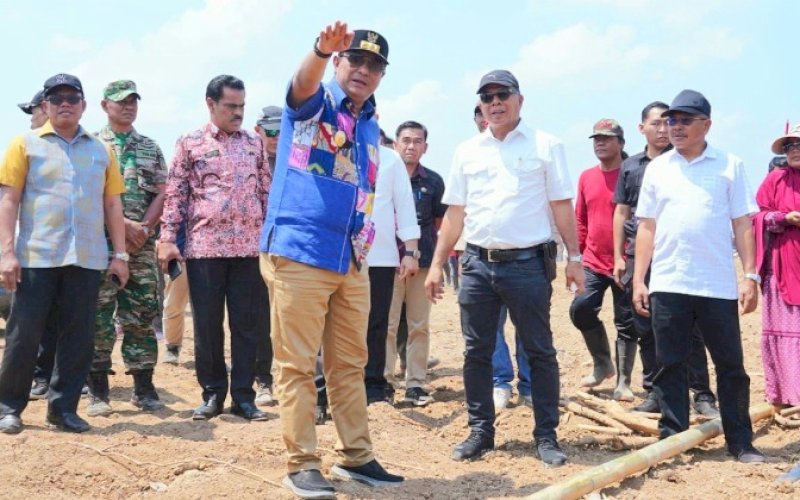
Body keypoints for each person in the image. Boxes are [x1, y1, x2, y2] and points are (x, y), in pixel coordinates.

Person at [259, 22, 404, 497]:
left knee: (350, 364)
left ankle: (357, 457)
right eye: (354, 59)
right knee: (298, 364)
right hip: (300, 250)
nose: (363, 70)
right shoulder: (314, 104)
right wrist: (320, 48)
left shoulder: (369, 125)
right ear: (338, 62)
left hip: (351, 257)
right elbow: (301, 83)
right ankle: (301, 462)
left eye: (374, 65)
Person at [425, 69, 585, 466]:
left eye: (503, 95)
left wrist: (575, 258)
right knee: (476, 352)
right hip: (477, 264)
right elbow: (455, 213)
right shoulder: (467, 151)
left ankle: (546, 436)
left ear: (520, 101)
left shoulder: (546, 145)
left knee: (539, 350)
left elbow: (561, 204)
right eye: (487, 97)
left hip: (528, 264)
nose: (495, 103)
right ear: (480, 105)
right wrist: (435, 264)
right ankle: (481, 431)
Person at [632, 89, 764, 463]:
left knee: (730, 366)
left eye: (685, 120)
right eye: (671, 120)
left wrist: (749, 276)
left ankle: (740, 442)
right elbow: (647, 228)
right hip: (669, 282)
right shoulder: (658, 167)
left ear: (707, 124)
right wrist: (640, 280)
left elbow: (742, 223)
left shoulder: (729, 164)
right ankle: (673, 438)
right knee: (669, 363)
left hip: (716, 284)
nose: (675, 126)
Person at [0, 73, 129, 434]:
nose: (65, 104)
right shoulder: (24, 144)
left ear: (84, 106)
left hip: (86, 259)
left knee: (78, 338)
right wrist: (6, 253)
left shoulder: (101, 150)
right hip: (37, 257)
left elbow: (113, 204)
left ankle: (63, 410)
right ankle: (8, 406)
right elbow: (8, 200)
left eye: (72, 98)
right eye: (56, 99)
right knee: (24, 335)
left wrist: (120, 254)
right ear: (45, 106)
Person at [158, 74, 270, 423]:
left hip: (249, 250)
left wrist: (271, 239)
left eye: (241, 106)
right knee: (207, 326)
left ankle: (243, 397)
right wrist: (165, 239)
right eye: (230, 106)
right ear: (211, 104)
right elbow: (175, 194)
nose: (237, 113)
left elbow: (265, 194)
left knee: (247, 326)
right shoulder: (189, 143)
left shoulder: (255, 144)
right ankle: (212, 394)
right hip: (204, 249)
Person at [612, 101, 719, 415]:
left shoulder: (688, 163)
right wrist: (619, 256)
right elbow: (621, 212)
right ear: (642, 127)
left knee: (691, 328)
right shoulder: (631, 167)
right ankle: (656, 392)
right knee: (644, 325)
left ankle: (701, 394)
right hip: (641, 256)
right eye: (656, 124)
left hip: (680, 257)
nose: (663, 129)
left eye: (667, 123)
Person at [87, 80, 168, 416]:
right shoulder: (90, 146)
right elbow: (89, 197)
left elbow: (164, 192)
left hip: (143, 248)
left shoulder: (150, 147)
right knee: (98, 316)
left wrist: (145, 227)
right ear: (105, 105)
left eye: (133, 101)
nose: (129, 107)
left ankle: (144, 387)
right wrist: (124, 227)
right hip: (101, 247)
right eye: (121, 102)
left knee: (142, 316)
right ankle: (98, 392)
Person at [570, 119, 636, 400]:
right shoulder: (586, 176)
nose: (600, 143)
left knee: (626, 321)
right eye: (596, 138)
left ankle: (623, 381)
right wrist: (578, 257)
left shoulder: (633, 172)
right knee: (581, 309)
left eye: (607, 138)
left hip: (626, 261)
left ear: (621, 143)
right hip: (593, 260)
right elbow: (580, 218)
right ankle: (602, 362)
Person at [385, 120, 446, 406]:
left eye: (417, 141)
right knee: (386, 324)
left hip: (421, 264)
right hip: (388, 262)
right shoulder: (383, 175)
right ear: (396, 144)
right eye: (406, 140)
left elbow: (438, 224)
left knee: (418, 325)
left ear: (426, 147)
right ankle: (383, 382)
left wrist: (436, 264)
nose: (411, 146)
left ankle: (416, 383)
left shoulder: (434, 181)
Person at [754, 124, 800, 407]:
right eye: (789, 146)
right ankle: (788, 394)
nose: (794, 150)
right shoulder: (775, 179)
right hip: (783, 264)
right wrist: (784, 218)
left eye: (799, 145)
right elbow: (755, 216)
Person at [16, 89, 55, 400]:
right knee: (30, 323)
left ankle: (53, 377)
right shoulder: (24, 147)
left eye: (34, 110)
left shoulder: (81, 148)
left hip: (70, 252)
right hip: (32, 249)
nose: (32, 117)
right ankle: (34, 379)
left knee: (63, 319)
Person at [251, 105, 282, 406]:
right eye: (270, 131)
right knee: (259, 317)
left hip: (286, 251)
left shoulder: (295, 162)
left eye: (281, 131)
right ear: (258, 130)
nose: (275, 137)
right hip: (254, 250)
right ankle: (263, 381)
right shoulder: (247, 159)